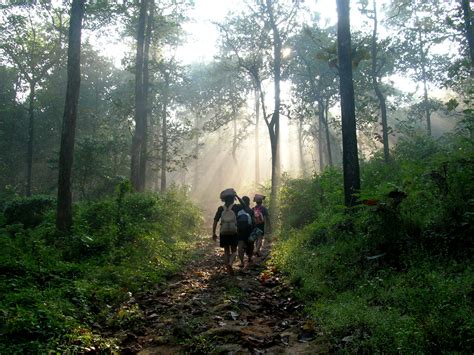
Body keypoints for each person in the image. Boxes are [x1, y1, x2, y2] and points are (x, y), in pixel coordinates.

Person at [212, 189, 240, 275]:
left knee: (226, 251)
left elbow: (215, 221)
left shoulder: (221, 208)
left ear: (224, 200)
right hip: (234, 231)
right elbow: (245, 206)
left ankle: (227, 268)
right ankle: (230, 263)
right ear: (233, 199)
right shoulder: (236, 207)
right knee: (234, 251)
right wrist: (237, 196)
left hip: (223, 232)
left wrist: (213, 233)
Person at [236, 196, 255, 268]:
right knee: (250, 245)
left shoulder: (238, 210)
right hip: (249, 230)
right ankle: (249, 258)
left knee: (240, 246)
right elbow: (253, 221)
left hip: (240, 231)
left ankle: (241, 262)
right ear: (249, 202)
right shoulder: (250, 210)